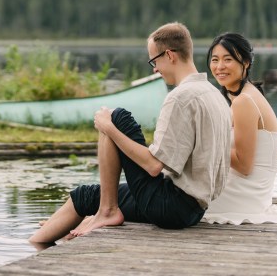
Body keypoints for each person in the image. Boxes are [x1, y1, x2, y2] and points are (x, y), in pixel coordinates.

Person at [29, 22, 232, 248]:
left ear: (170, 55)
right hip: (193, 210)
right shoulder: (215, 95)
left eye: (154, 61)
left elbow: (154, 166)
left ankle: (104, 212)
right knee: (86, 196)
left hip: (170, 206)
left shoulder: (180, 97)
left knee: (117, 117)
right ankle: (55, 233)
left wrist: (109, 129)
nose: (155, 69)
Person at [202, 32, 277, 225]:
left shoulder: (244, 101)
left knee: (172, 191)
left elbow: (244, 165)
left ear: (246, 62)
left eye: (228, 59)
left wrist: (207, 144)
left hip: (243, 198)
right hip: (253, 196)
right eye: (215, 60)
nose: (219, 66)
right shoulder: (248, 95)